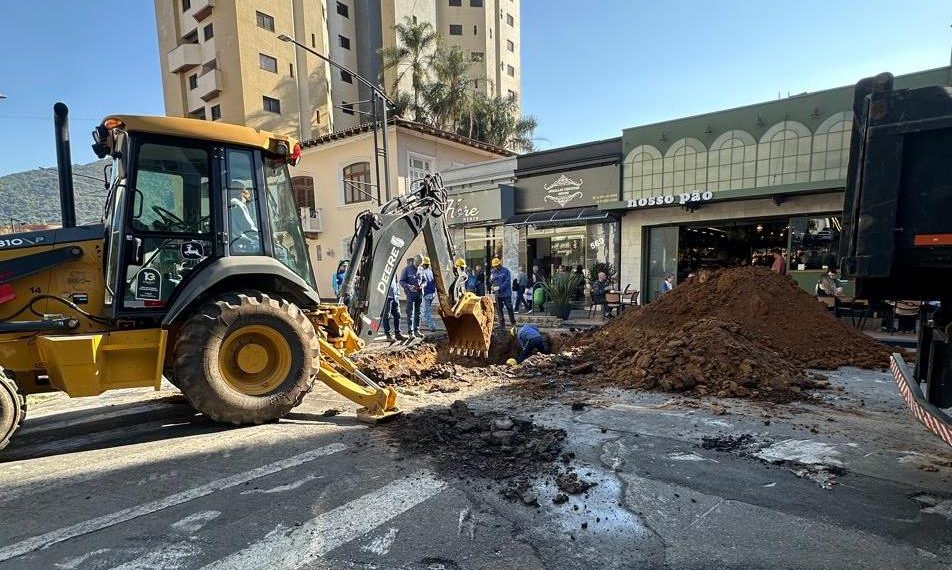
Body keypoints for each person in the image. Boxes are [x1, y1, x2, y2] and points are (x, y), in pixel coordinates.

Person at [228, 181, 260, 253]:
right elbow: (248, 228)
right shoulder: (236, 203)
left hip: (235, 243)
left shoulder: (229, 203)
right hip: (241, 244)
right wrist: (267, 237)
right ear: (241, 193)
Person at [399, 256, 423, 338]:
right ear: (414, 261)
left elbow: (424, 280)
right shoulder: (406, 269)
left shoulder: (421, 269)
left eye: (419, 264)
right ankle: (410, 332)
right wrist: (409, 286)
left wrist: (423, 285)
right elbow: (401, 281)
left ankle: (417, 330)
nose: (418, 266)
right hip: (410, 294)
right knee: (410, 313)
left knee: (418, 313)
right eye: (417, 263)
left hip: (419, 294)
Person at [490, 257, 515, 329]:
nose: (496, 267)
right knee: (499, 309)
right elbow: (492, 282)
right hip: (498, 294)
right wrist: (491, 282)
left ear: (500, 264)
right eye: (494, 266)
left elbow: (507, 282)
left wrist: (499, 287)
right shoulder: (493, 272)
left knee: (509, 308)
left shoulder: (506, 271)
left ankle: (513, 323)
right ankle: (502, 325)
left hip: (506, 294)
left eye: (497, 266)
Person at [381, 277, 406, 342]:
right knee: (386, 316)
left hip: (395, 297)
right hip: (387, 297)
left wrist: (397, 293)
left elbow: (396, 282)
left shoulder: (394, 272)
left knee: (397, 315)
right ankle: (388, 334)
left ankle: (397, 333)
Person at [419, 256, 438, 330]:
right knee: (426, 310)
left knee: (426, 313)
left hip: (426, 294)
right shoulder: (431, 272)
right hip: (432, 294)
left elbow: (422, 283)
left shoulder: (423, 273)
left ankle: (432, 326)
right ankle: (426, 324)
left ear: (423, 265)